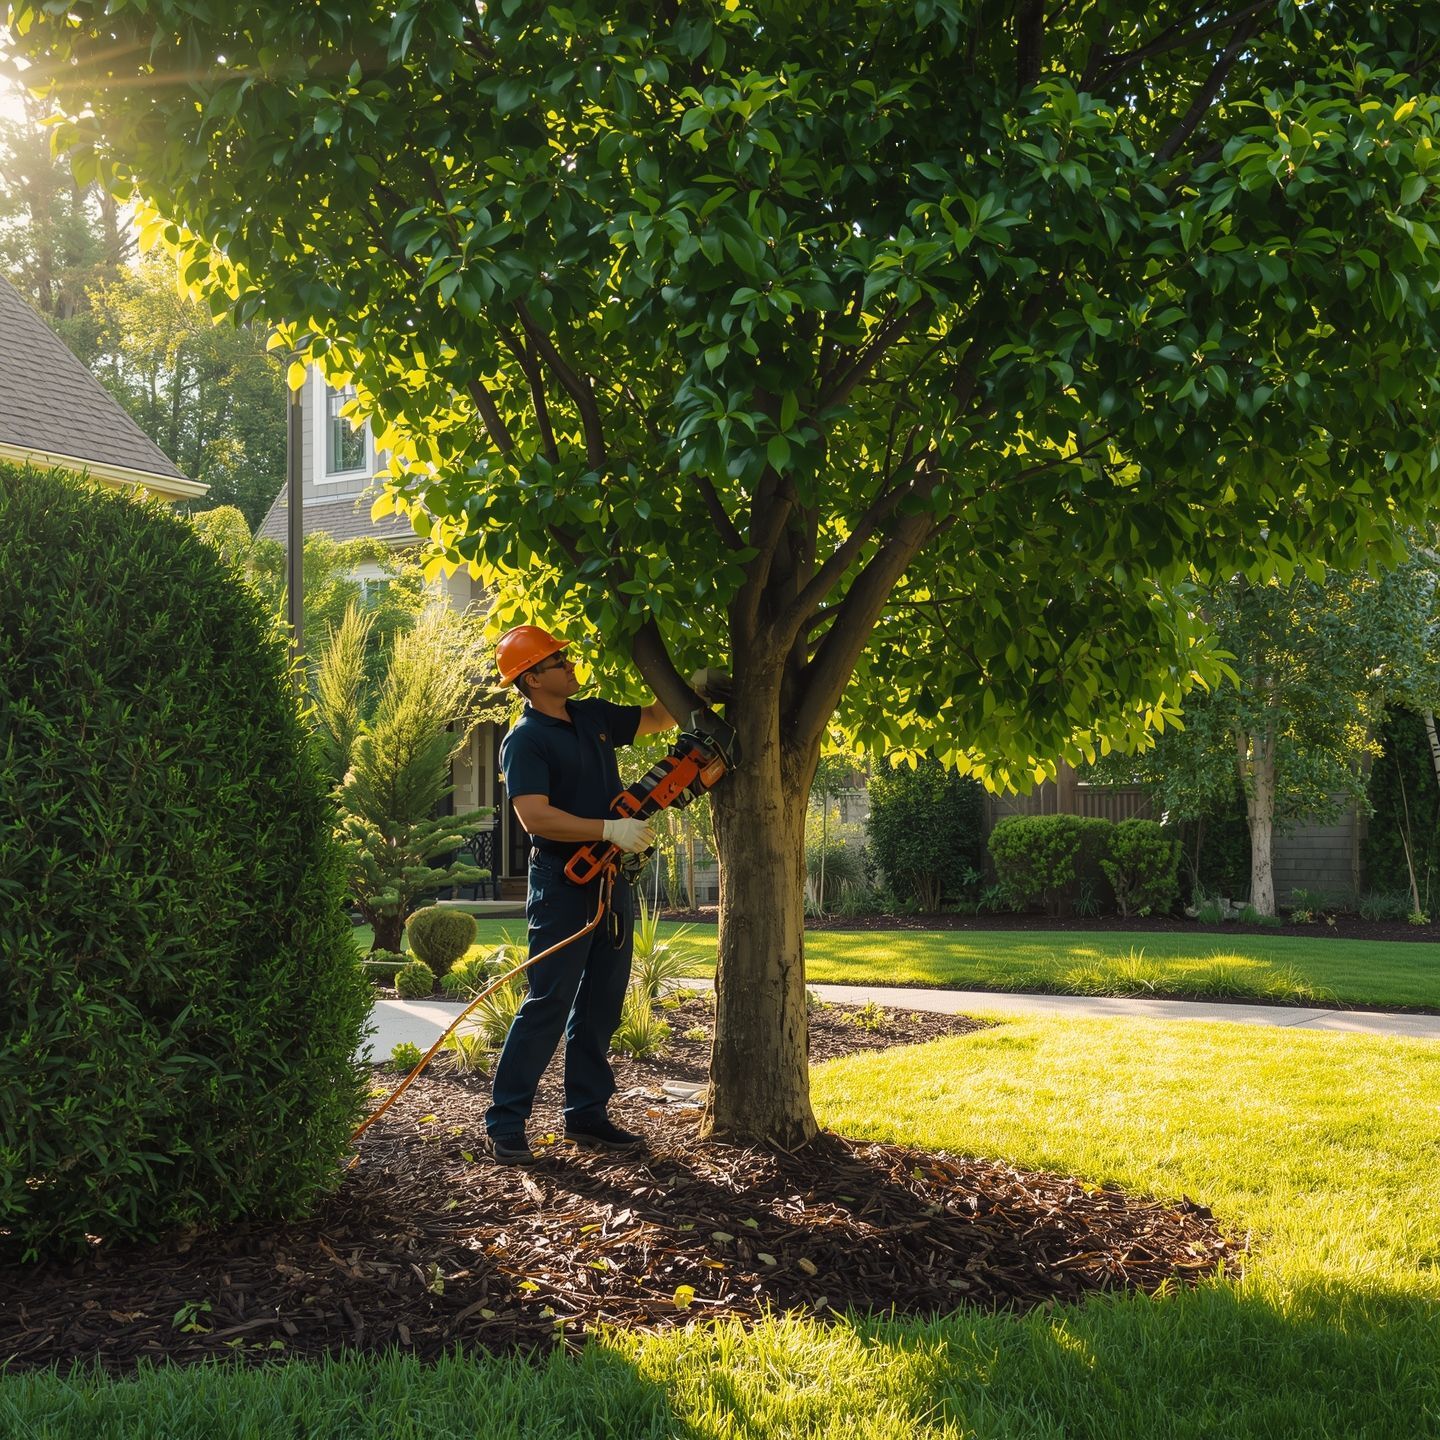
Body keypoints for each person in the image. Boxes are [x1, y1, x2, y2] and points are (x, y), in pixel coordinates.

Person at [484, 624, 675, 1164]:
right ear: (531, 679)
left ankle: (586, 1115)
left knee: (601, 1004)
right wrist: (607, 829)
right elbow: (535, 816)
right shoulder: (524, 740)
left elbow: (660, 716)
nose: (569, 665)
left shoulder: (592, 716)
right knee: (549, 1001)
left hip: (611, 881)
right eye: (557, 661)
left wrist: (694, 687)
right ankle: (505, 1123)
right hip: (563, 885)